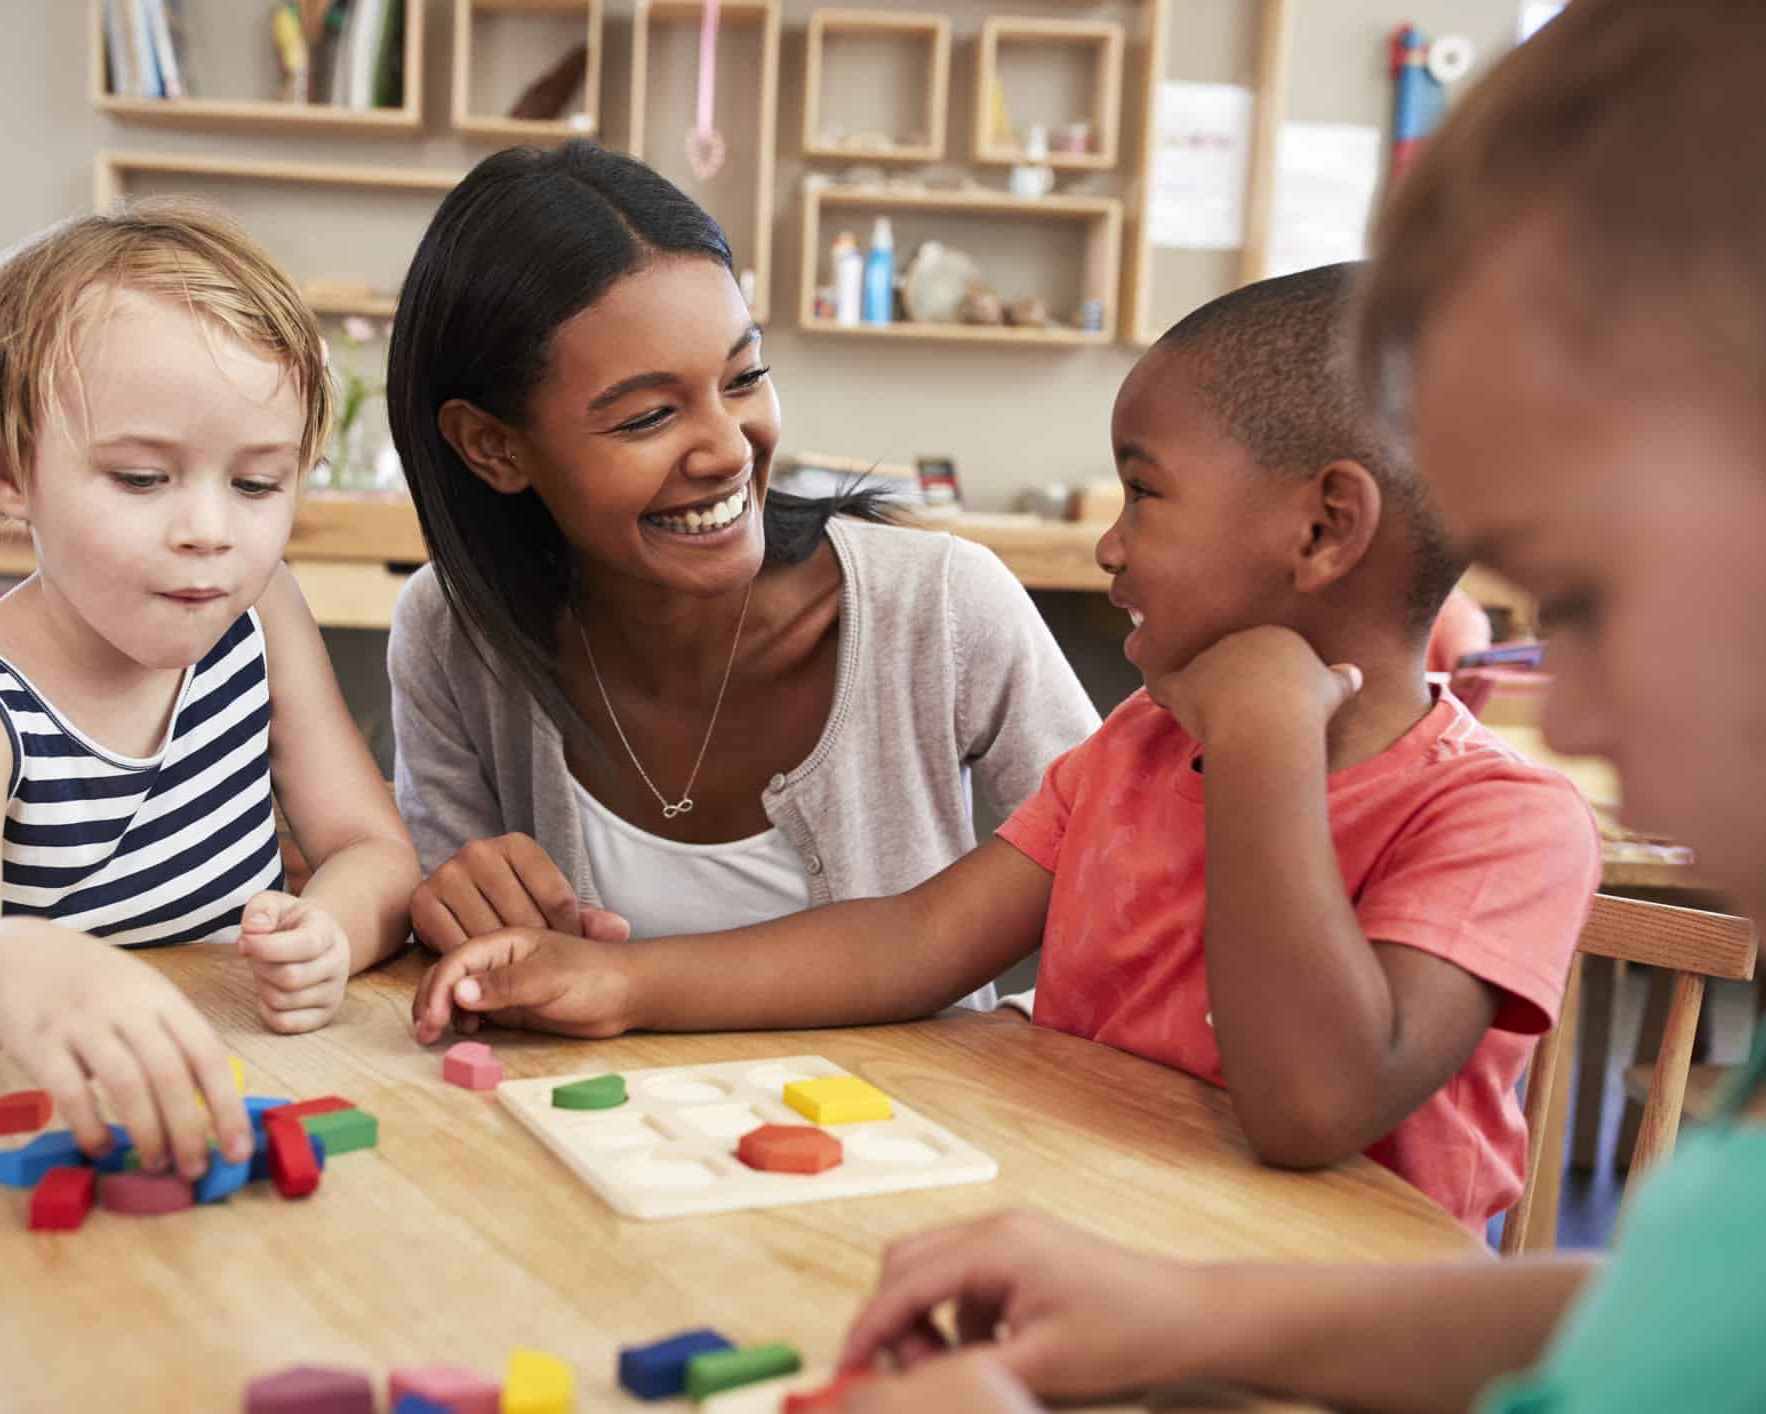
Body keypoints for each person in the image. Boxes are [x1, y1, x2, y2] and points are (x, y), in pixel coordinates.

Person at [838, 3, 1766, 1409]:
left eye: (1580, 590)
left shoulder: (1482, 808)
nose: (1562, 713)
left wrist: (1269, 732)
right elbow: (1637, 1321)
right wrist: (1190, 1318)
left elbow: (1316, 1106)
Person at [412, 262, 1601, 1231]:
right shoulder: (1139, 748)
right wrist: (624, 982)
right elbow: (916, 936)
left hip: (1329, 1340)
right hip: (1090, 1253)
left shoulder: (1504, 826)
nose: (1112, 549)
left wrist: (1265, 743)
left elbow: (1310, 1105)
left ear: (1326, 524)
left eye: (1144, 494)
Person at [386, 141, 1097, 1011]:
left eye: (744, 376)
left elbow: (1123, 889)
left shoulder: (941, 605)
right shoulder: (454, 632)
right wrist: (443, 907)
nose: (727, 448)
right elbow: (459, 968)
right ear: (494, 447)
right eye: (648, 415)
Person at [0, 201, 419, 1181]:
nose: (210, 530)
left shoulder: (262, 612)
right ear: (6, 470)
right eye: (142, 476)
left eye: (256, 486)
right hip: (39, 1127)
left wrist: (330, 926)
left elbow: (373, 849)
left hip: (237, 1096)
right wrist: (6, 966)